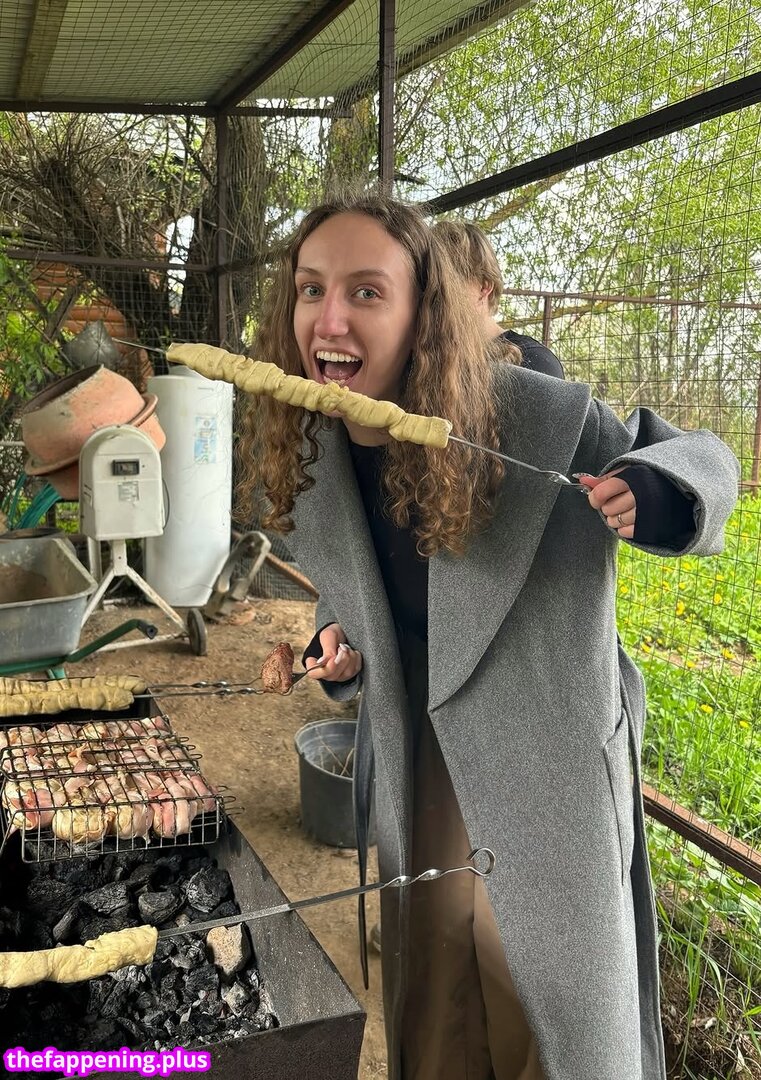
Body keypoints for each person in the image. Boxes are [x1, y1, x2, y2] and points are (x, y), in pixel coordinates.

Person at [237, 192, 739, 1080]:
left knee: (547, 1011)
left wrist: (656, 491)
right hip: (421, 758)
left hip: (544, 758)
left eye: (364, 292)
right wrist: (339, 646)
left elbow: (703, 458)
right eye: (311, 289)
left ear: (424, 312)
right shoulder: (313, 450)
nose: (329, 319)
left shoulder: (537, 418)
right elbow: (366, 601)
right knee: (438, 991)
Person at [432, 219, 565, 378]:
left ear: (483, 287)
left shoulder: (534, 363)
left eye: (445, 284)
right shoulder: (430, 356)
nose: (430, 295)